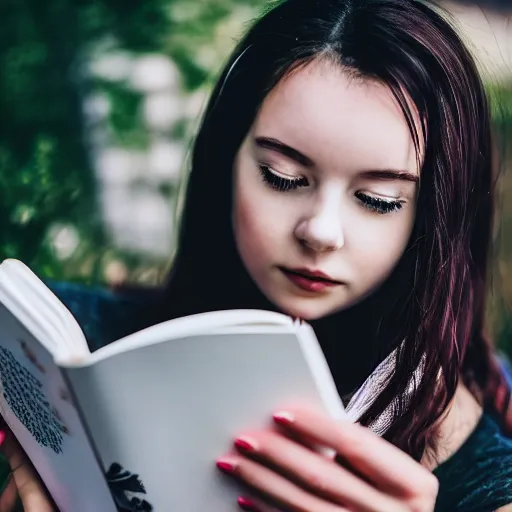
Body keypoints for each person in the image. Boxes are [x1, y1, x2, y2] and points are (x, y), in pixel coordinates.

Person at [1, 0, 512, 510]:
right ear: (227, 160)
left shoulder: (486, 480)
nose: (320, 231)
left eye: (379, 200)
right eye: (282, 177)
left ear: (438, 215)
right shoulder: (74, 347)